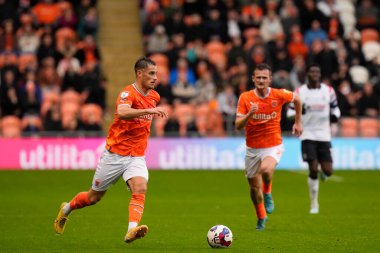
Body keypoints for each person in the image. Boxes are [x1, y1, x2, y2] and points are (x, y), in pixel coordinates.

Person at [54, 57, 168, 243]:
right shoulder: (127, 93)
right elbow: (123, 112)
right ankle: (66, 209)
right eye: (151, 73)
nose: (156, 77)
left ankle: (131, 230)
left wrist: (150, 111)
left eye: (156, 73)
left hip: (137, 156)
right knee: (93, 198)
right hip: (115, 155)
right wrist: (148, 111)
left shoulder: (154, 96)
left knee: (140, 187)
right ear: (139, 74)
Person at [235, 63, 303, 230]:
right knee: (253, 189)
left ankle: (268, 193)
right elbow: (238, 125)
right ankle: (261, 216)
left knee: (266, 170)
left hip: (273, 144)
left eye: (264, 77)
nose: (261, 80)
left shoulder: (279, 94)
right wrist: (250, 114)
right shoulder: (245, 98)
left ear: (270, 79)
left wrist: (298, 122)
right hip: (252, 148)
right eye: (258, 77)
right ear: (253, 79)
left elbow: (298, 99)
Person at [287, 63, 340, 214]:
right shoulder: (299, 92)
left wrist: (335, 116)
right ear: (307, 75)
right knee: (313, 168)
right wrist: (299, 111)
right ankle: (314, 204)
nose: (315, 74)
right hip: (307, 134)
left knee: (328, 171)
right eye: (312, 72)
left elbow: (336, 108)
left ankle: (325, 174)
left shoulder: (328, 91)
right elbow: (289, 113)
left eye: (317, 72)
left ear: (320, 75)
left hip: (324, 135)